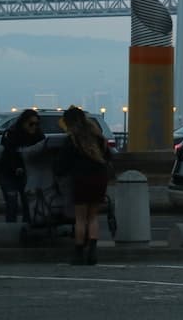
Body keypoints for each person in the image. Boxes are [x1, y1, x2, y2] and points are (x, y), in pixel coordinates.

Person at [55, 106, 111, 265]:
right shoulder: (98, 137)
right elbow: (107, 157)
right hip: (99, 177)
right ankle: (92, 252)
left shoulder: (72, 139)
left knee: (80, 218)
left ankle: (79, 252)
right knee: (93, 216)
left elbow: (62, 164)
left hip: (81, 179)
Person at [0, 109, 45, 223]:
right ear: (23, 123)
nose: (34, 127)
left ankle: (26, 230)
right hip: (8, 175)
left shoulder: (39, 137)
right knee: (11, 204)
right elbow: (9, 155)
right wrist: (16, 167)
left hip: (27, 175)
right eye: (31, 124)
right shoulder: (12, 135)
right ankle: (11, 231)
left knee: (28, 205)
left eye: (36, 124)